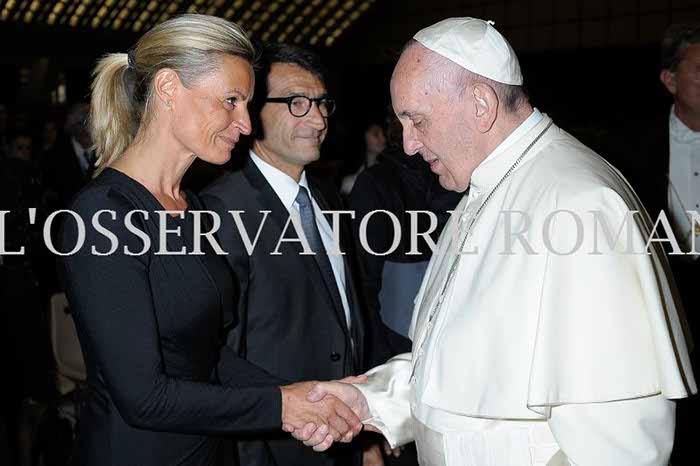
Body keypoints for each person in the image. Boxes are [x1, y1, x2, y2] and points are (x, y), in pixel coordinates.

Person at [288, 17, 697, 465]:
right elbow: (460, 366)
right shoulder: (483, 188)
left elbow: (620, 444)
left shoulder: (580, 203)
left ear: (481, 104)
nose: (407, 145)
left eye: (417, 120)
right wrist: (370, 401)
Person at [58, 15, 361, 466]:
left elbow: (207, 356)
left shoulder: (195, 207)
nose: (244, 123)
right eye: (231, 101)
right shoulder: (105, 214)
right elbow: (143, 397)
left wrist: (296, 396)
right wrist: (280, 407)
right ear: (167, 89)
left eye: (248, 103)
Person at [202, 43, 410, 466]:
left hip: (340, 437)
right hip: (271, 446)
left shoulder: (327, 200)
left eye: (321, 104)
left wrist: (364, 428)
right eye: (297, 103)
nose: (317, 119)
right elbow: (217, 359)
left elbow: (353, 317)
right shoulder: (221, 210)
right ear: (252, 110)